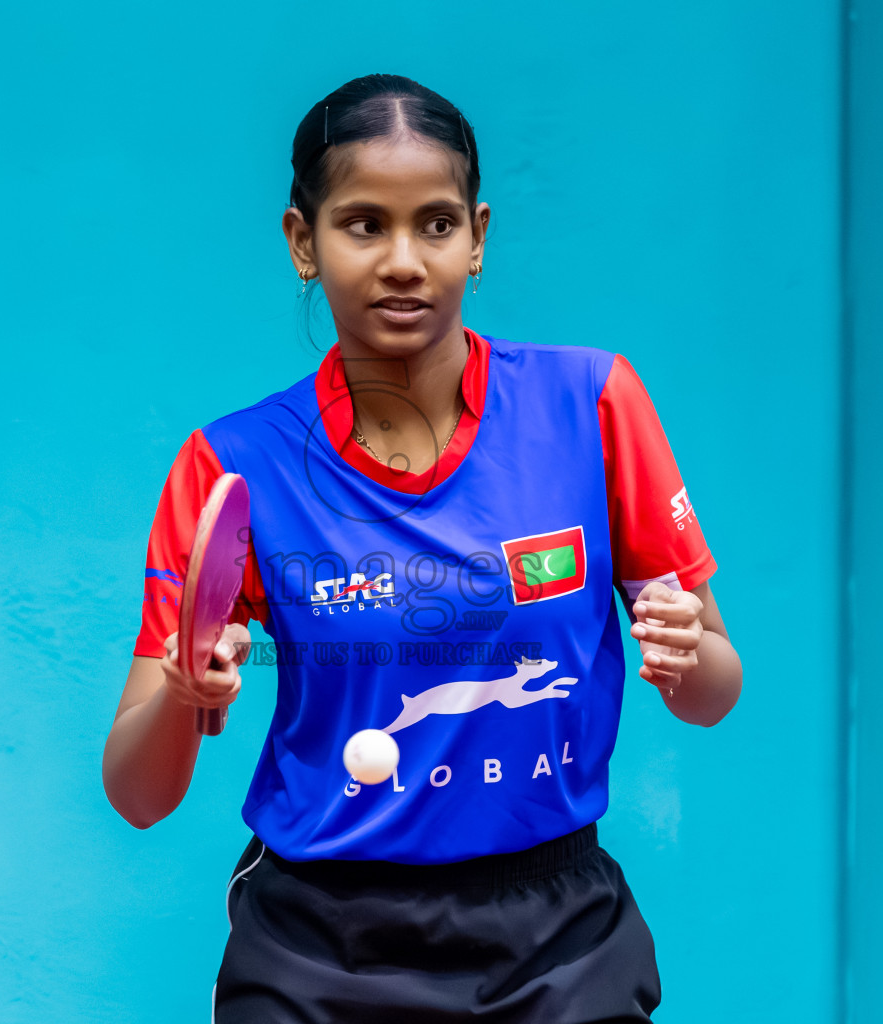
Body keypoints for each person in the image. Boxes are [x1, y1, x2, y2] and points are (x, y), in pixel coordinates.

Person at [101, 73, 743, 1023]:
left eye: (436, 224)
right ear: (301, 244)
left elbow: (712, 695)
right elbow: (138, 793)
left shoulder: (593, 404)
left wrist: (690, 653)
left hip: (558, 945)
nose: (404, 260)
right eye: (364, 224)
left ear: (478, 237)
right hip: (319, 950)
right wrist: (188, 694)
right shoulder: (232, 465)